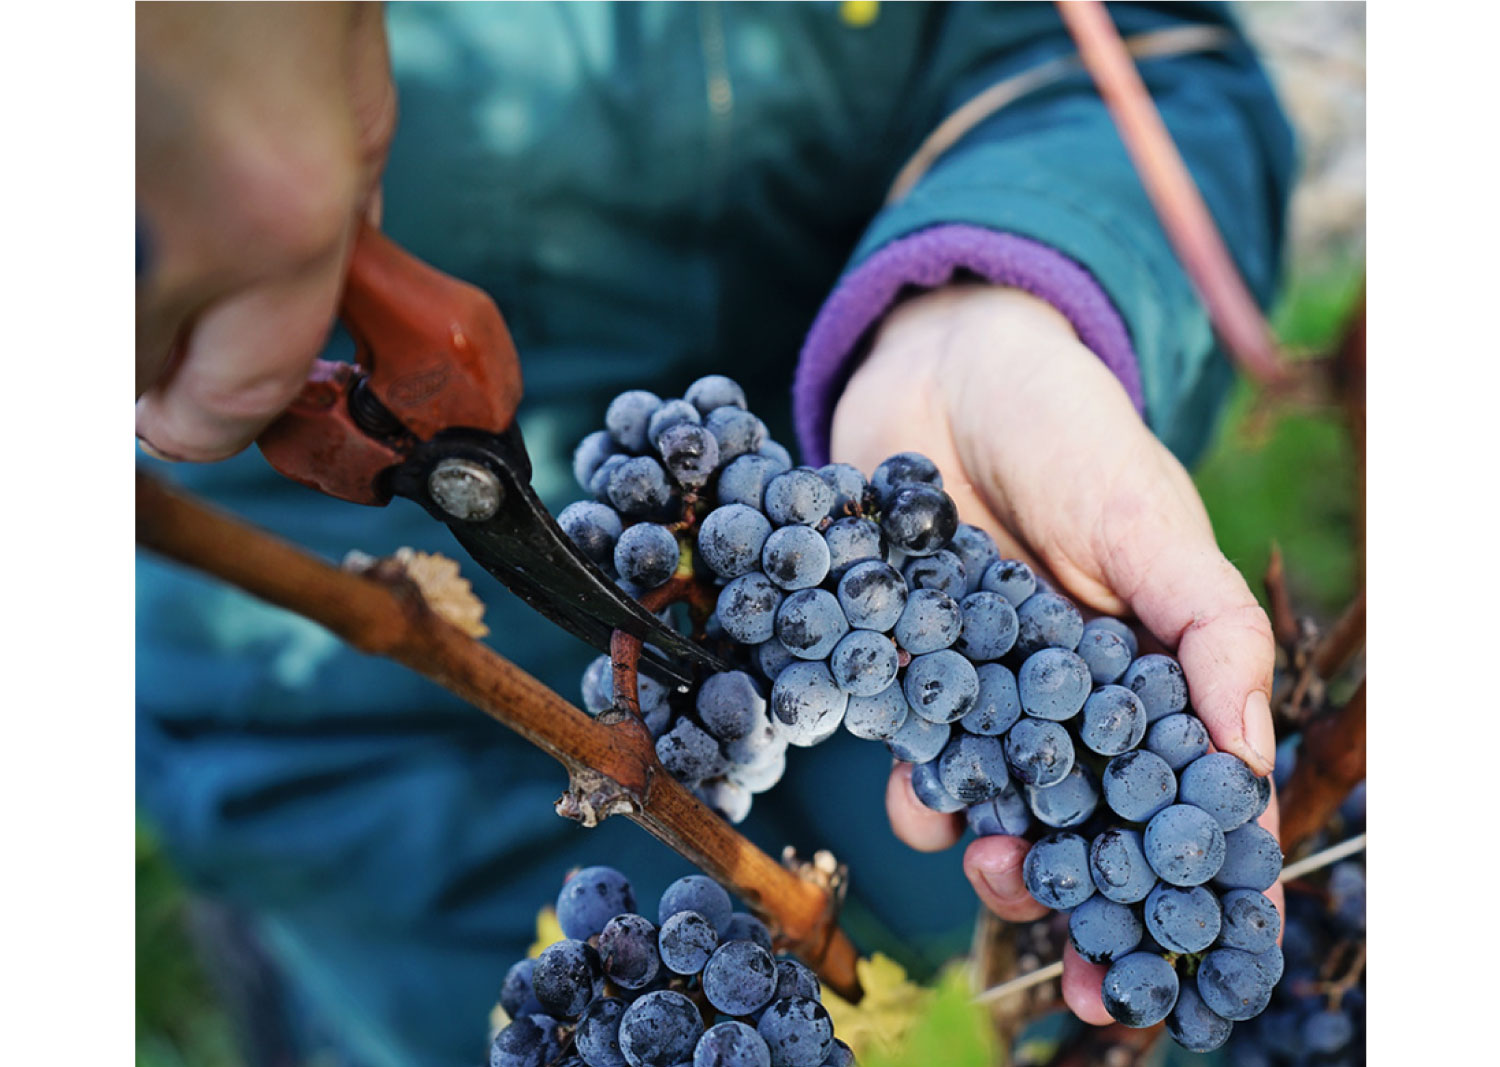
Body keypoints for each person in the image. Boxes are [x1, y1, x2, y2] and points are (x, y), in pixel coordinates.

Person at [136, 3, 1294, 1064]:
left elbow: (1148, 51)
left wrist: (997, 288)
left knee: (1001, 942)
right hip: (347, 744)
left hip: (870, 545)